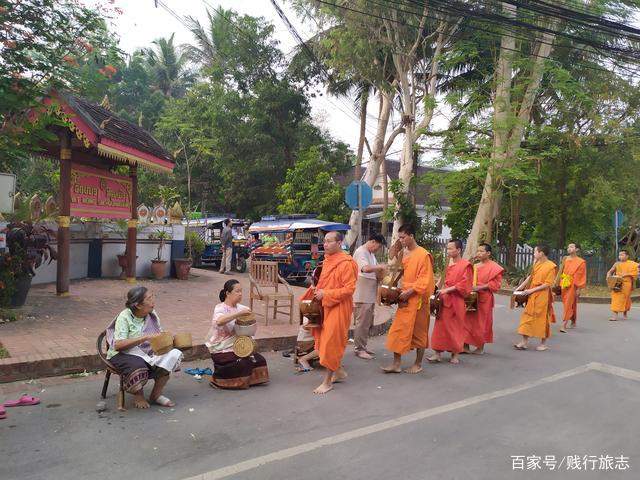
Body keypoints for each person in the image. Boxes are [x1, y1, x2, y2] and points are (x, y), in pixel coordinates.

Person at [299, 231, 358, 394]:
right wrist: (316, 289)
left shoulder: (346, 262)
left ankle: (327, 382)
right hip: (325, 306)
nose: (325, 244)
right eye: (324, 241)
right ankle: (338, 372)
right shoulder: (327, 261)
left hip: (339, 307)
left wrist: (326, 294)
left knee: (330, 343)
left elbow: (349, 289)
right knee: (323, 340)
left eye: (329, 241)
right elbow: (325, 282)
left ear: (339, 243)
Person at [106, 286, 182, 409]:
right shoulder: (124, 317)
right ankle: (138, 395)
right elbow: (118, 345)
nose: (153, 301)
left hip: (147, 351)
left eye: (152, 296)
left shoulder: (151, 314)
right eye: (149, 298)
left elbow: (157, 334)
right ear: (139, 305)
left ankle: (156, 395)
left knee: (172, 355)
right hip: (122, 354)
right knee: (138, 364)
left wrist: (168, 339)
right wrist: (144, 338)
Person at [382, 224, 434, 373]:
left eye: (403, 237)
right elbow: (397, 267)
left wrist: (411, 291)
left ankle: (417, 364)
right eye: (399, 237)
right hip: (405, 299)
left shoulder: (423, 255)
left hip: (418, 300)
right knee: (397, 330)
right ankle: (396, 364)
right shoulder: (404, 253)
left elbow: (425, 279)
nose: (401, 240)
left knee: (419, 333)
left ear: (411, 236)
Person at [206, 279, 270, 389]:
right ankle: (218, 380)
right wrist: (238, 314)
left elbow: (249, 327)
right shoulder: (220, 308)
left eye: (241, 291)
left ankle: (248, 380)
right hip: (221, 347)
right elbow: (219, 321)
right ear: (227, 293)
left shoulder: (242, 308)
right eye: (237, 291)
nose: (240, 294)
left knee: (259, 360)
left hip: (238, 345)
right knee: (241, 363)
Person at [428, 239, 472, 364]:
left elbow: (465, 284)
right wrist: (435, 288)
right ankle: (437, 353)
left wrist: (448, 290)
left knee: (455, 327)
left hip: (456, 300)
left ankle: (455, 354)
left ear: (458, 250)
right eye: (447, 248)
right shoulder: (448, 263)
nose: (448, 251)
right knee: (440, 326)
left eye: (451, 248)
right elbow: (443, 279)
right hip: (444, 299)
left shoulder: (466, 265)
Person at [514, 245, 557, 351]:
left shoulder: (551, 266)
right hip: (532, 294)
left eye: (535, 252)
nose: (533, 254)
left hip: (543, 296)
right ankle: (524, 342)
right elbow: (530, 277)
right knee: (527, 316)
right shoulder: (536, 264)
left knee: (542, 319)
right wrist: (519, 288)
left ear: (541, 253)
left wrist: (531, 290)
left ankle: (543, 343)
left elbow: (547, 284)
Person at [463, 243, 504, 354]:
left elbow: (496, 285)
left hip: (484, 298)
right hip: (472, 296)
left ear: (488, 253)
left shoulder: (495, 268)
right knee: (467, 320)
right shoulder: (475, 266)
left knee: (482, 323)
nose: (479, 253)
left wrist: (479, 287)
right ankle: (465, 346)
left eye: (481, 251)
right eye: (478, 251)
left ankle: (480, 347)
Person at [352, 233, 387, 360]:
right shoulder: (361, 252)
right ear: (372, 241)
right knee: (362, 322)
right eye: (378, 246)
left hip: (369, 293)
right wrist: (380, 266)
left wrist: (380, 272)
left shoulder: (371, 254)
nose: (378, 249)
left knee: (368, 322)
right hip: (362, 294)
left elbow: (375, 270)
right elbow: (365, 269)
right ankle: (359, 349)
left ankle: (363, 346)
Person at [558, 243, 587, 332]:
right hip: (564, 283)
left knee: (568, 304)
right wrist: (558, 283)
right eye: (568, 247)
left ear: (577, 249)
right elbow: (560, 271)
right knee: (570, 303)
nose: (569, 248)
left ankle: (563, 324)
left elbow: (581, 275)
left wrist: (579, 288)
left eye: (571, 247)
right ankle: (573, 320)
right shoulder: (565, 259)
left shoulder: (581, 262)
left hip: (573, 285)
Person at [607, 250, 639, 321]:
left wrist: (628, 274)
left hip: (627, 283)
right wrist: (608, 276)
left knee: (626, 298)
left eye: (622, 255)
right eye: (619, 255)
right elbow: (610, 271)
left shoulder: (632, 263)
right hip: (618, 282)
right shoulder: (617, 264)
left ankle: (625, 313)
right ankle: (614, 316)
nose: (620, 256)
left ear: (627, 256)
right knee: (616, 298)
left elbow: (637, 270)